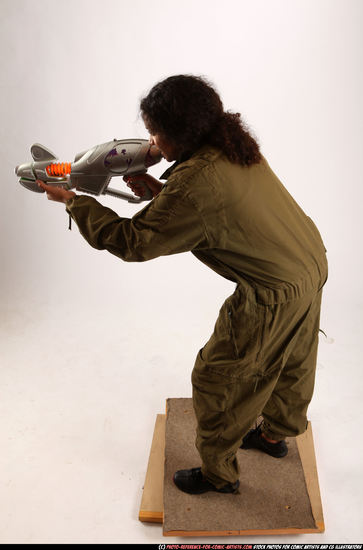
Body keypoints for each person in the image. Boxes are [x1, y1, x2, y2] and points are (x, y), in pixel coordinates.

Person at [37, 74, 328, 496]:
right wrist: (162, 193)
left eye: (154, 134)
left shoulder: (195, 184)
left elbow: (134, 242)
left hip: (274, 291)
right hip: (309, 261)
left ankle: (219, 475)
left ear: (178, 134)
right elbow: (219, 209)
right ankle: (273, 436)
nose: (151, 144)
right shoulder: (230, 144)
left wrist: (75, 202)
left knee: (217, 379)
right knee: (293, 358)